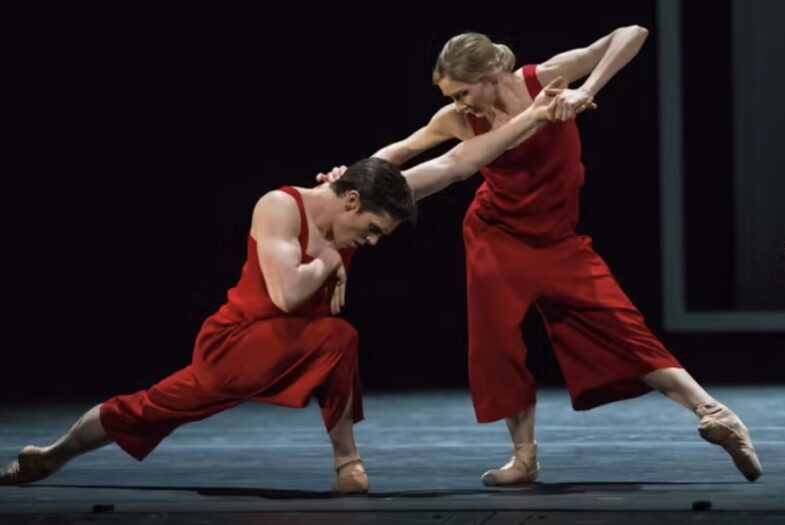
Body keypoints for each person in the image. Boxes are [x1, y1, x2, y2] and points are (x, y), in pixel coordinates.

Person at [0, 80, 568, 493]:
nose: (371, 243)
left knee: (332, 340)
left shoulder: (364, 193)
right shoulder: (280, 206)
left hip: (298, 341)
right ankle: (56, 453)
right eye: (371, 230)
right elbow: (287, 296)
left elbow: (456, 164)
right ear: (350, 201)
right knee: (150, 407)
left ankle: (348, 466)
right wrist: (329, 259)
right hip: (237, 343)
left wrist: (534, 118)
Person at [362, 28, 763, 484]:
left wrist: (586, 90)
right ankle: (524, 457)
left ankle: (715, 414)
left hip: (556, 237)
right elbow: (401, 151)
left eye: (463, 93)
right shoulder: (458, 119)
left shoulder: (545, 78)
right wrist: (351, 179)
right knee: (495, 345)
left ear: (491, 75)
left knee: (622, 326)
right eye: (452, 97)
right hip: (495, 235)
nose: (459, 104)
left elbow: (632, 33)